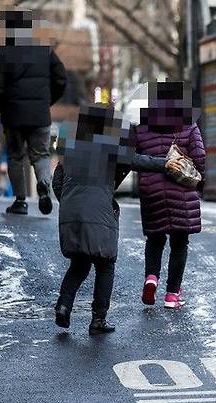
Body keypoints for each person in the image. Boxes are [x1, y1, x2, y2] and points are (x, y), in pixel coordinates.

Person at [51, 103, 184, 335]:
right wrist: (165, 163)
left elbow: (57, 183)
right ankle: (98, 319)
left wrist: (72, 205)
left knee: (79, 265)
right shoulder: (109, 147)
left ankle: (63, 307)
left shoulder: (71, 148)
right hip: (99, 212)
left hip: (71, 214)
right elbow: (137, 161)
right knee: (105, 264)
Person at [0, 10, 67, 215]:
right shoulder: (45, 52)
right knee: (40, 154)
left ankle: (20, 201)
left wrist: (0, 107)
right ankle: (43, 185)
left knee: (15, 156)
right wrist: (46, 102)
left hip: (12, 116)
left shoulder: (1, 53)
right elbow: (61, 79)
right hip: (40, 115)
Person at [134, 82, 206, 310]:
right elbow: (200, 157)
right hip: (181, 191)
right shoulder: (189, 125)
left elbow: (132, 160)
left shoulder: (141, 128)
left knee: (155, 239)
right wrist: (196, 176)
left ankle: (151, 279)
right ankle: (172, 295)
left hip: (151, 191)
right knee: (179, 243)